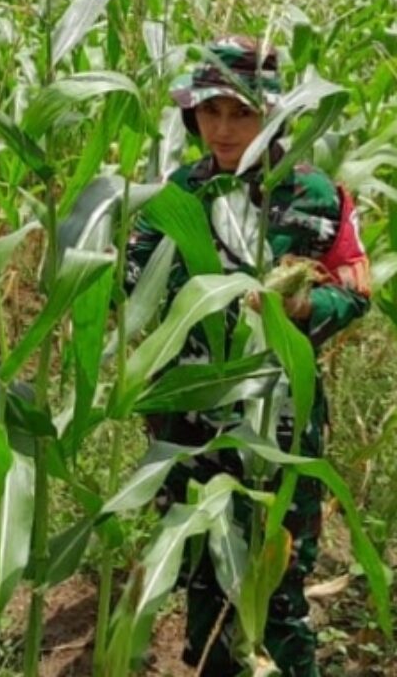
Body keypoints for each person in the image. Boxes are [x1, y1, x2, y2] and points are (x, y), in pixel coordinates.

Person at [126, 36, 370, 677]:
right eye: (211, 112)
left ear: (273, 115)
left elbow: (355, 289)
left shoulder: (317, 196)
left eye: (241, 113)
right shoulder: (178, 193)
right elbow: (136, 280)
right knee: (203, 572)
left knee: (277, 588)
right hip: (191, 418)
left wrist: (302, 310)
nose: (224, 130)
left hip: (279, 424)